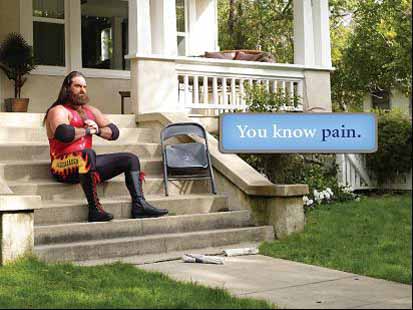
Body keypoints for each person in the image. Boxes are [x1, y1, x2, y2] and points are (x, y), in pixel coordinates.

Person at [44, 71, 168, 222]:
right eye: (77, 86)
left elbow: (114, 132)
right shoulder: (58, 110)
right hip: (61, 166)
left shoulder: (91, 111)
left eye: (84, 86)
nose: (82, 90)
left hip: (86, 164)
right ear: (67, 88)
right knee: (88, 155)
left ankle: (139, 205)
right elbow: (63, 133)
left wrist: (98, 130)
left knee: (130, 159)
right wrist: (88, 130)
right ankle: (94, 209)